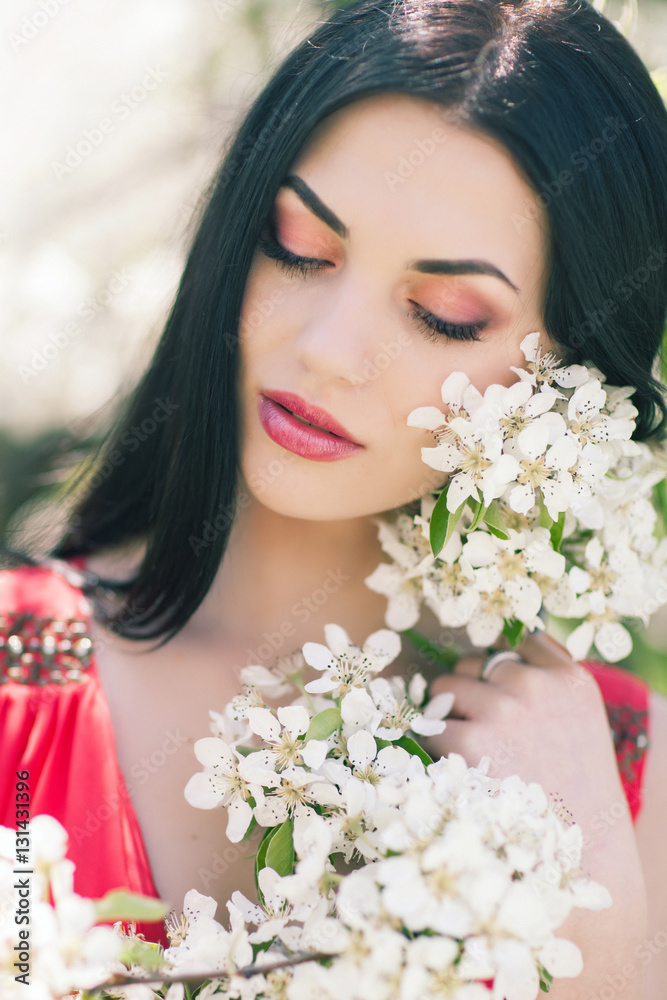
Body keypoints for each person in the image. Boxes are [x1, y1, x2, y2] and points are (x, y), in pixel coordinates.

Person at [1, 0, 666, 994]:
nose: (327, 349)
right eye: (298, 245)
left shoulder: (618, 769)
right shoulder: (19, 679)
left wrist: (596, 917)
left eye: (443, 316)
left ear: (569, 384)